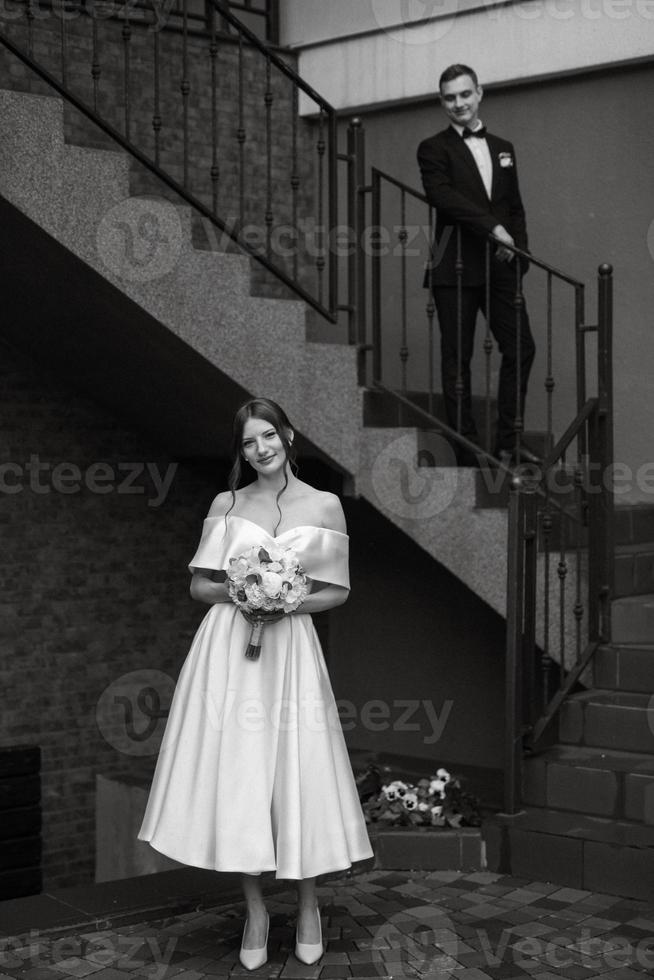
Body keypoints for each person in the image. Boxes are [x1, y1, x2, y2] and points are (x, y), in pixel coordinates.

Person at [137, 397, 373, 971]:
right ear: (240, 450)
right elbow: (199, 585)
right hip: (228, 651)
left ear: (288, 436)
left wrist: (287, 599)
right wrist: (243, 590)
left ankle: (310, 904)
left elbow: (337, 591)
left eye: (268, 436)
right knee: (239, 770)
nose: (260, 449)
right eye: (248, 442)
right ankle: (256, 910)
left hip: (289, 651)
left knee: (299, 767)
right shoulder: (228, 502)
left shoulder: (325, 505)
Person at [417, 63, 538, 466]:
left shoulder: (504, 147)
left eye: (465, 94)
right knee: (457, 360)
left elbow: (515, 207)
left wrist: (518, 251)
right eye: (450, 98)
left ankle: (509, 441)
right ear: (442, 102)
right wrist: (494, 229)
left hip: (500, 265)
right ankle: (466, 447)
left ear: (479, 93)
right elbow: (443, 197)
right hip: (453, 265)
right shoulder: (433, 148)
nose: (458, 104)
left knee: (521, 347)